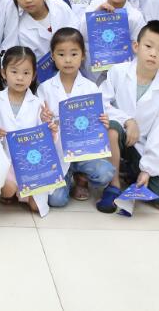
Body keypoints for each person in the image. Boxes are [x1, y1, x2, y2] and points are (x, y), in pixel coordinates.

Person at [97, 20, 159, 213]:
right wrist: (127, 120)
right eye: (148, 46)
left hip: (141, 145)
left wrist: (147, 170)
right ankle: (114, 185)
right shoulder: (117, 72)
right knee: (112, 128)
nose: (153, 54)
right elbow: (101, 104)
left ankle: (131, 171)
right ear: (136, 46)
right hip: (117, 137)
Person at [39, 28, 118, 207]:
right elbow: (39, 125)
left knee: (106, 173)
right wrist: (43, 118)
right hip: (58, 154)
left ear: (83, 55)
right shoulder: (45, 88)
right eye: (61, 54)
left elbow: (99, 121)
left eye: (74, 54)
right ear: (52, 56)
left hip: (84, 152)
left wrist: (104, 123)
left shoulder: (91, 88)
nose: (68, 60)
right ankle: (68, 177)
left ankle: (81, 178)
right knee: (56, 200)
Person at [0, 47, 59, 218]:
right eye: (14, 72)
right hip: (5, 160)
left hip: (31, 165)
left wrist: (49, 128)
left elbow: (46, 142)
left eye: (26, 73)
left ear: (33, 75)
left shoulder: (38, 104)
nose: (20, 78)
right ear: (4, 73)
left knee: (36, 207)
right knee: (7, 189)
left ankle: (19, 193)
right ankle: (7, 193)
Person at [3, 0, 77, 76]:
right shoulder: (21, 29)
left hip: (75, 66)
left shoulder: (60, 6)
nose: (28, 0)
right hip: (47, 77)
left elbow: (77, 33)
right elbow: (35, 62)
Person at [82, 0, 147, 81]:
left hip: (122, 74)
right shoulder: (93, 7)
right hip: (93, 73)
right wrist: (95, 16)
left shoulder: (135, 16)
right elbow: (81, 35)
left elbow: (141, 46)